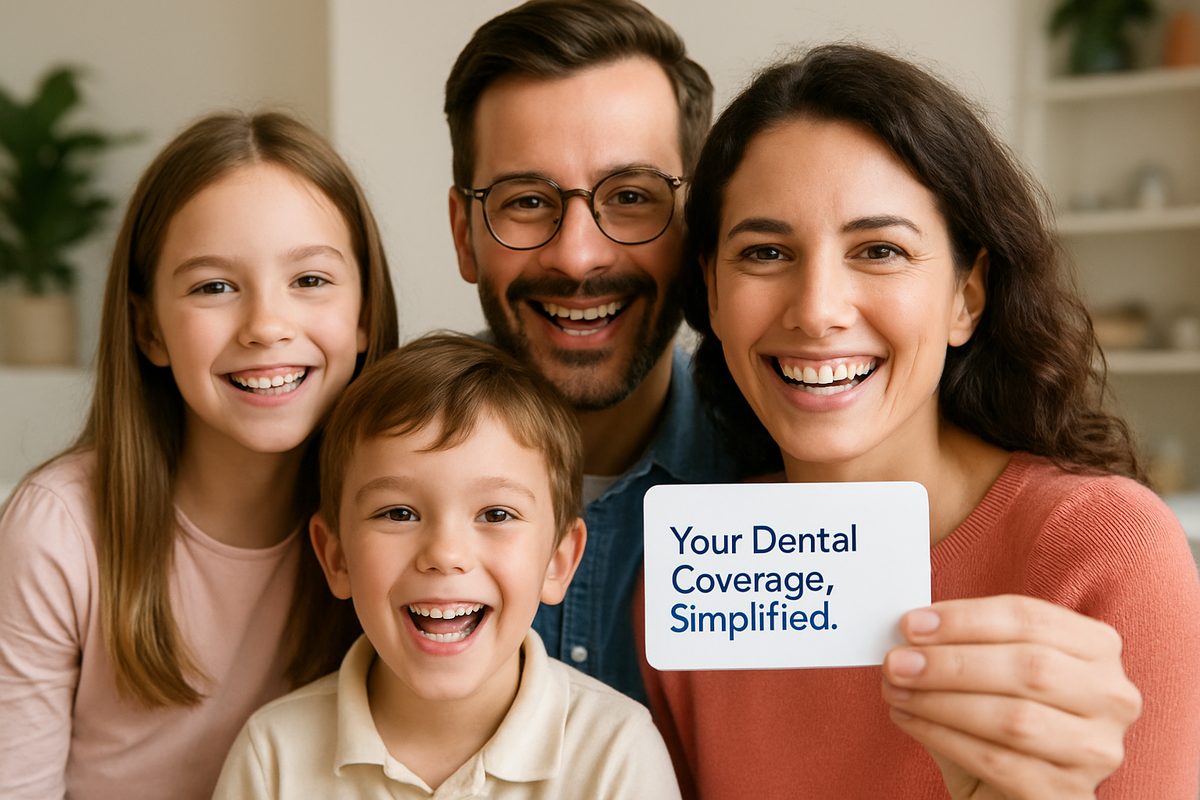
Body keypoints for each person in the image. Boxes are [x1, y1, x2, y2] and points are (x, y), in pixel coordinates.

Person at [638, 44, 1200, 798]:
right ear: (709, 289)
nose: (817, 311)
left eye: (879, 249)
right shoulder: (689, 578)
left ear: (967, 296)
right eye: (766, 251)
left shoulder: (1103, 551)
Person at [0, 111, 399, 799]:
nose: (267, 327)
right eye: (214, 287)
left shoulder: (406, 523)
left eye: (309, 281)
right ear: (148, 328)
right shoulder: (58, 532)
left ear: (364, 313)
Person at [213, 333, 681, 798]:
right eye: (398, 513)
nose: (445, 554)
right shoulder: (272, 756)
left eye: (496, 515)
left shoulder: (617, 753)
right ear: (336, 557)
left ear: (559, 561)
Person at [443, 0, 745, 705]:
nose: (578, 256)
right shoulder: (360, 478)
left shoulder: (787, 478)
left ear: (697, 224)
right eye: (526, 201)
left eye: (631, 196)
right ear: (465, 235)